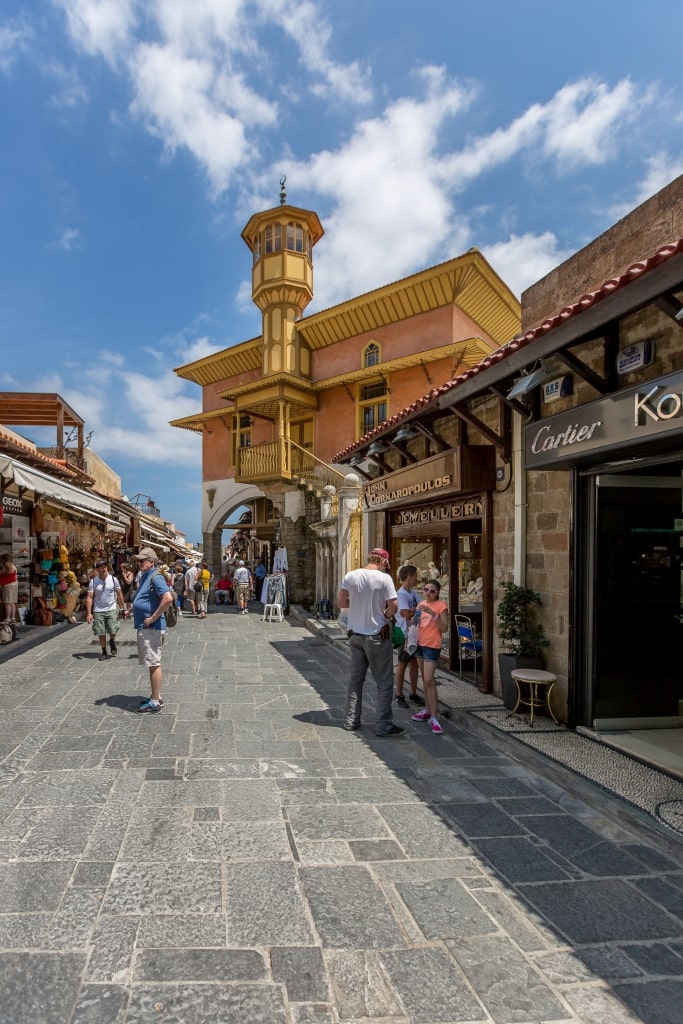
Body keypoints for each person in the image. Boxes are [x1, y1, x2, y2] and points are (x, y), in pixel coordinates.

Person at [337, 547, 403, 737]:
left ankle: (351, 720)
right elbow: (394, 606)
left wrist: (357, 611)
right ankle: (383, 724)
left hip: (355, 635)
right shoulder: (384, 579)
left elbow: (341, 602)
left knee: (355, 680)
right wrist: (385, 617)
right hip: (376, 635)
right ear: (383, 561)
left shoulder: (351, 575)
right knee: (383, 681)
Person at [132, 547, 174, 714]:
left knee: (154, 662)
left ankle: (155, 701)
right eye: (139, 561)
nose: (139, 563)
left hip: (152, 627)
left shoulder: (156, 577)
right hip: (147, 627)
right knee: (151, 662)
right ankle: (155, 695)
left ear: (151, 562)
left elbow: (168, 598)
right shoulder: (146, 576)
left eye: (142, 561)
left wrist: (154, 617)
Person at [411, 579, 449, 734]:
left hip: (432, 646)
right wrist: (413, 620)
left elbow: (445, 628)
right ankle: (427, 709)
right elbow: (417, 623)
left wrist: (434, 615)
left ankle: (434, 715)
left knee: (429, 679)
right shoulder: (420, 605)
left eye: (432, 591)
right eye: (426, 589)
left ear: (437, 593)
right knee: (424, 678)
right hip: (420, 643)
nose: (428, 593)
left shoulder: (441, 606)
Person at [393, 564, 425, 709]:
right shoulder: (401, 595)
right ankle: (399, 694)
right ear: (410, 577)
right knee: (402, 664)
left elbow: (420, 609)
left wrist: (413, 611)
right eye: (415, 577)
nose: (416, 580)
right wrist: (414, 610)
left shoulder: (413, 594)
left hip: (415, 633)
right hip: (405, 634)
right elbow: (406, 614)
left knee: (414, 664)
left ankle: (413, 693)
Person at [86, 559, 125, 661]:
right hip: (98, 609)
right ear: (97, 569)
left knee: (113, 629)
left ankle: (112, 641)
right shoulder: (93, 581)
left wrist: (122, 608)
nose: (104, 569)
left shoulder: (113, 579)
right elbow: (90, 597)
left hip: (111, 608)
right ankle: (103, 650)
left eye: (105, 567)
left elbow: (120, 594)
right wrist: (89, 613)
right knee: (101, 631)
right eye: (102, 568)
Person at [0, 554, 18, 624]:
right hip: (14, 585)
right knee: (12, 602)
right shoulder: (12, 564)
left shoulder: (7, 563)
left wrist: (2, 572)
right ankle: (13, 618)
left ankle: (7, 619)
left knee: (7, 603)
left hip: (8, 586)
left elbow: (10, 572)